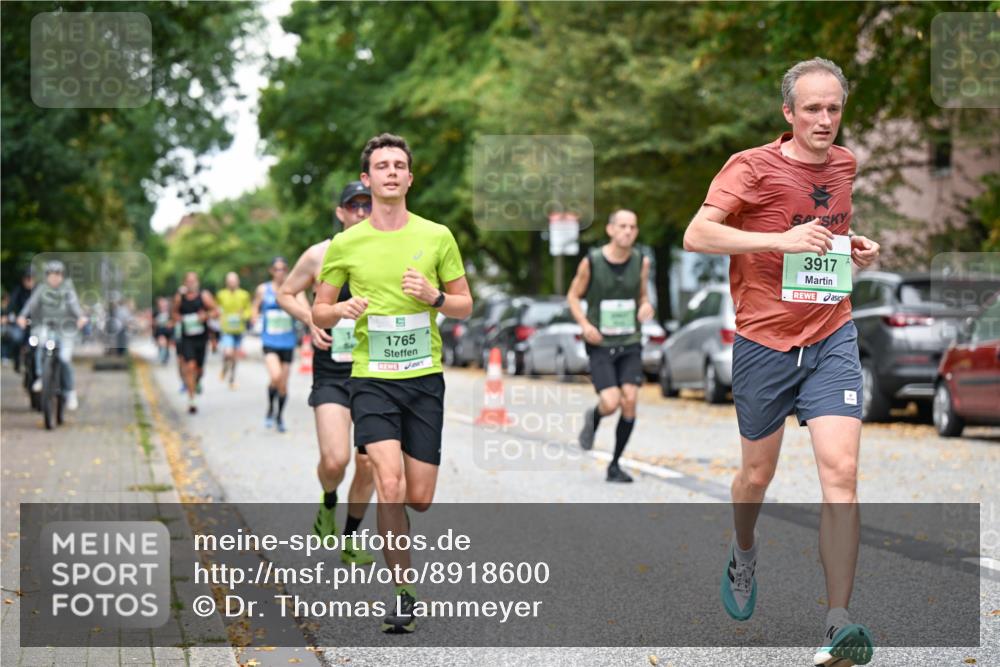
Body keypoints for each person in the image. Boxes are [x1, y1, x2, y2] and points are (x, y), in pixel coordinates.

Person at [682, 58, 880, 667]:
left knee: (841, 473)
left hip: (831, 336)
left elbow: (824, 235)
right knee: (756, 479)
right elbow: (697, 235)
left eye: (834, 108)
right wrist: (777, 241)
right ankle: (744, 551)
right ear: (788, 113)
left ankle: (838, 622)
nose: (825, 120)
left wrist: (855, 248)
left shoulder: (845, 164)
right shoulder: (750, 167)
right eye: (812, 109)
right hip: (764, 344)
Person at [313, 134, 472, 633]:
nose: (390, 172)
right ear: (367, 179)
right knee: (389, 482)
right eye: (381, 165)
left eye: (399, 165)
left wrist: (434, 297)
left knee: (419, 496)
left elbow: (465, 303)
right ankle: (403, 590)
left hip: (424, 378)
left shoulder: (438, 235)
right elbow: (319, 307)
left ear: (409, 177)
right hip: (371, 380)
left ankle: (393, 526)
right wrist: (339, 309)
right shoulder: (346, 244)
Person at [278, 181, 377, 566]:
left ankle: (351, 538)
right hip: (332, 370)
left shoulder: (388, 252)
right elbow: (287, 292)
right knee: (335, 460)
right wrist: (309, 319)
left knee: (367, 462)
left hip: (376, 370)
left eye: (368, 206)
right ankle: (329, 500)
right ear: (340, 213)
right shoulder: (321, 254)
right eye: (354, 207)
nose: (362, 213)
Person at [568, 209, 654, 483]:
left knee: (630, 400)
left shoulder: (642, 261)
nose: (628, 231)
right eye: (623, 226)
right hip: (601, 342)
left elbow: (642, 295)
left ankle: (615, 465)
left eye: (632, 227)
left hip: (629, 341)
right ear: (610, 230)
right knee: (611, 401)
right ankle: (593, 418)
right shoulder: (592, 262)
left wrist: (646, 306)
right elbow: (572, 296)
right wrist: (585, 324)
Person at [17, 261, 87, 410]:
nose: (54, 278)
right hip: (46, 327)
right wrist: (22, 316)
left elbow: (74, 306)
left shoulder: (68, 289)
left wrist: (80, 317)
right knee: (38, 344)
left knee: (64, 358)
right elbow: (31, 304)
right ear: (47, 276)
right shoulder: (41, 289)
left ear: (62, 276)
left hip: (65, 329)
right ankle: (42, 376)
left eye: (57, 275)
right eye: (51, 275)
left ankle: (70, 391)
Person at [253, 257, 298, 433]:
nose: (280, 272)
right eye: (277, 269)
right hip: (270, 341)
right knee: (276, 376)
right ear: (271, 271)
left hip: (288, 342)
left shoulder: (295, 289)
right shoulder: (263, 289)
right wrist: (254, 316)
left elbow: (305, 309)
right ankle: (270, 409)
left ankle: (279, 416)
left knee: (283, 384)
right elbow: (255, 307)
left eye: (283, 269)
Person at [173, 272, 218, 414]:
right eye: (189, 281)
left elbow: (216, 311)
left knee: (199, 370)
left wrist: (205, 315)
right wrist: (179, 318)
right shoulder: (180, 298)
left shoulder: (204, 296)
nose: (191, 283)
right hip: (187, 338)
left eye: (194, 281)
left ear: (197, 282)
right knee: (190, 367)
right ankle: (191, 400)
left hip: (201, 338)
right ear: (185, 283)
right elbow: (173, 313)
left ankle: (197, 382)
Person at [215, 272, 252, 388]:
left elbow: (248, 310)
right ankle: (224, 368)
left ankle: (232, 379)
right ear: (226, 282)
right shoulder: (221, 294)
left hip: (239, 330)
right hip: (226, 329)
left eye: (234, 281)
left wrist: (244, 315)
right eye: (230, 281)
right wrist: (219, 316)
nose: (232, 283)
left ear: (238, 282)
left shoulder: (244, 294)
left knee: (235, 357)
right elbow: (217, 309)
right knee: (228, 352)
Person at [6, 269, 35, 371]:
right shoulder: (18, 290)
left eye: (31, 278)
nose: (29, 281)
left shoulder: (38, 291)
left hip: (35, 322)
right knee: (17, 338)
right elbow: (11, 305)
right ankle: (17, 359)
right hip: (20, 321)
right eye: (27, 278)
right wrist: (9, 315)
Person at [152, 296, 174, 365]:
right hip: (160, 331)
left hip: (168, 331)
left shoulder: (170, 312)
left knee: (166, 345)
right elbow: (153, 323)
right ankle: (162, 356)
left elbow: (173, 321)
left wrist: (170, 324)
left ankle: (165, 357)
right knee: (162, 343)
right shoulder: (156, 312)